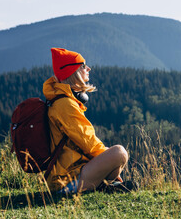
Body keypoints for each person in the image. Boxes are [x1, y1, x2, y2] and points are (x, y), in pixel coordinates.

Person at [43, 47, 132, 194]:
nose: (89, 68)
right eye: (83, 66)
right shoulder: (65, 104)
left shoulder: (61, 101)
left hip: (72, 173)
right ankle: (102, 184)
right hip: (66, 181)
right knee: (119, 153)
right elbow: (88, 143)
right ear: (73, 72)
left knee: (113, 159)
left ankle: (104, 185)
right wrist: (112, 161)